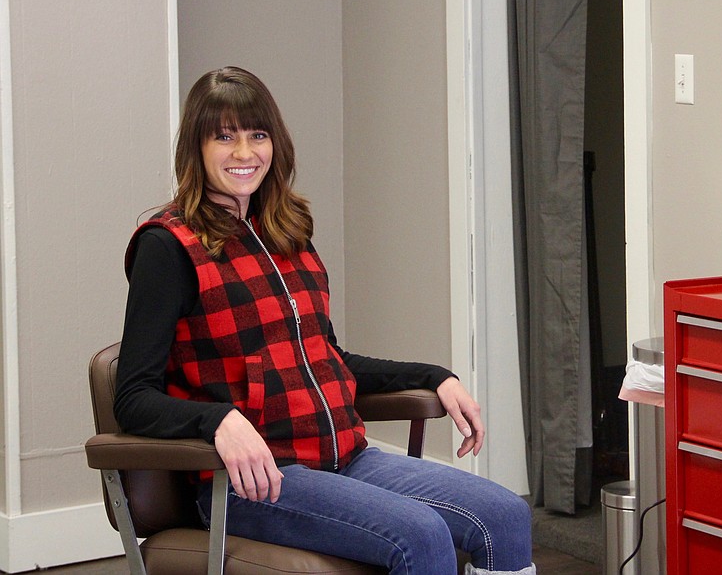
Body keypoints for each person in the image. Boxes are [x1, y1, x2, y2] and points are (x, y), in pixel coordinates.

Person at [115, 66, 535, 575]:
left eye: (257, 135)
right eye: (224, 137)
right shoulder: (167, 246)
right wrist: (218, 419)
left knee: (506, 516)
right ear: (196, 149)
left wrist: (434, 377)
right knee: (420, 535)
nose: (244, 153)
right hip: (257, 481)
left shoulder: (287, 235)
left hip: (346, 457)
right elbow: (134, 398)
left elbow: (327, 359)